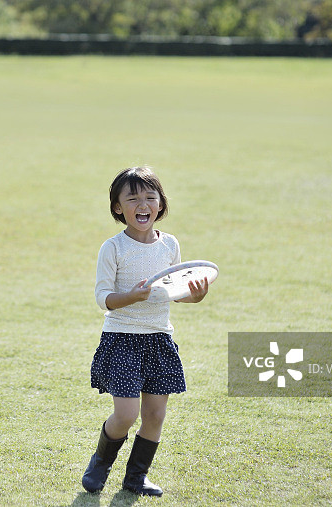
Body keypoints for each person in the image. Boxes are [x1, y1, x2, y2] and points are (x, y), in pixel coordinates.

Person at [82, 166, 209, 497]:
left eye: (150, 197)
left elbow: (176, 291)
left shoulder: (169, 245)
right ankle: (100, 463)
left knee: (154, 415)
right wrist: (132, 296)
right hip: (122, 340)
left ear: (160, 205)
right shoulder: (113, 248)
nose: (142, 204)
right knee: (125, 415)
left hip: (159, 340)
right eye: (132, 198)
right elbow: (103, 299)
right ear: (117, 207)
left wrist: (195, 295)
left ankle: (136, 477)